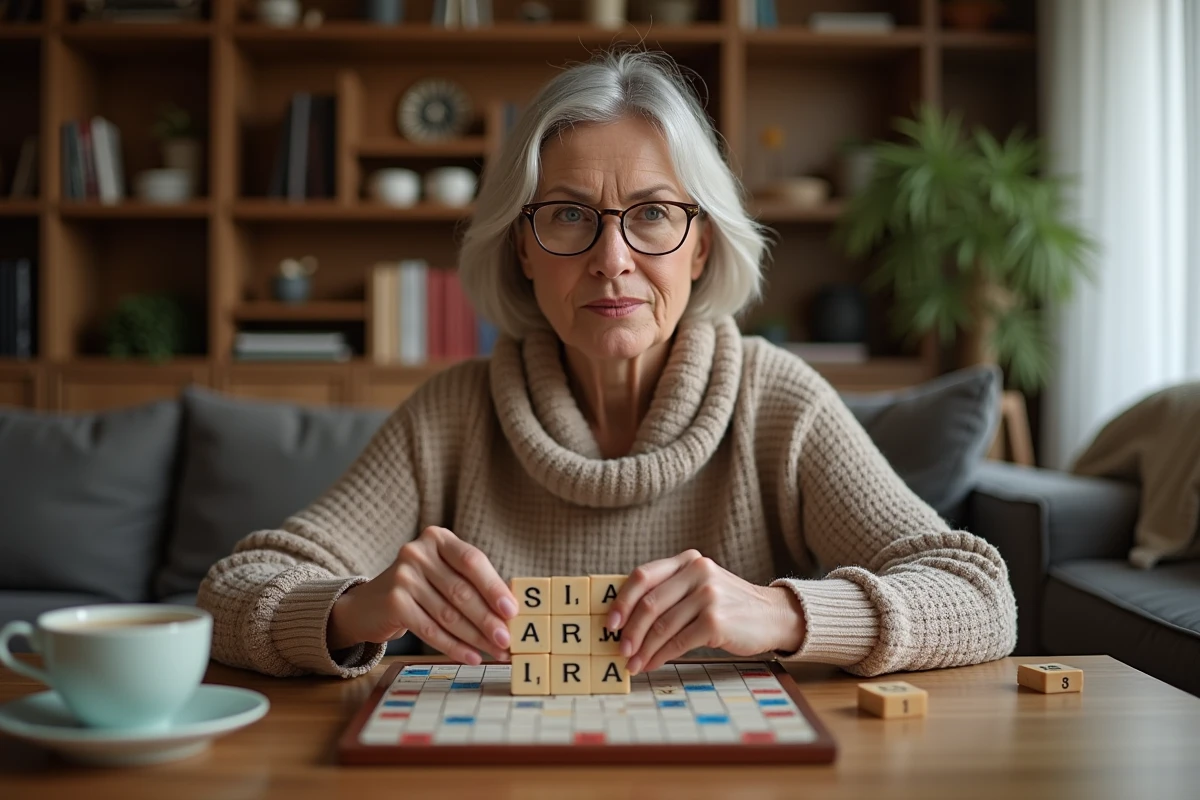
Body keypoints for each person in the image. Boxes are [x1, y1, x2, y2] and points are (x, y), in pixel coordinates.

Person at [197, 50, 1017, 680]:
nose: (611, 259)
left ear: (700, 244)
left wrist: (782, 614)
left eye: (654, 215)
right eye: (567, 216)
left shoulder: (778, 402)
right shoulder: (452, 413)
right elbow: (235, 588)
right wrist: (351, 608)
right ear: (521, 245)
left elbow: (981, 597)